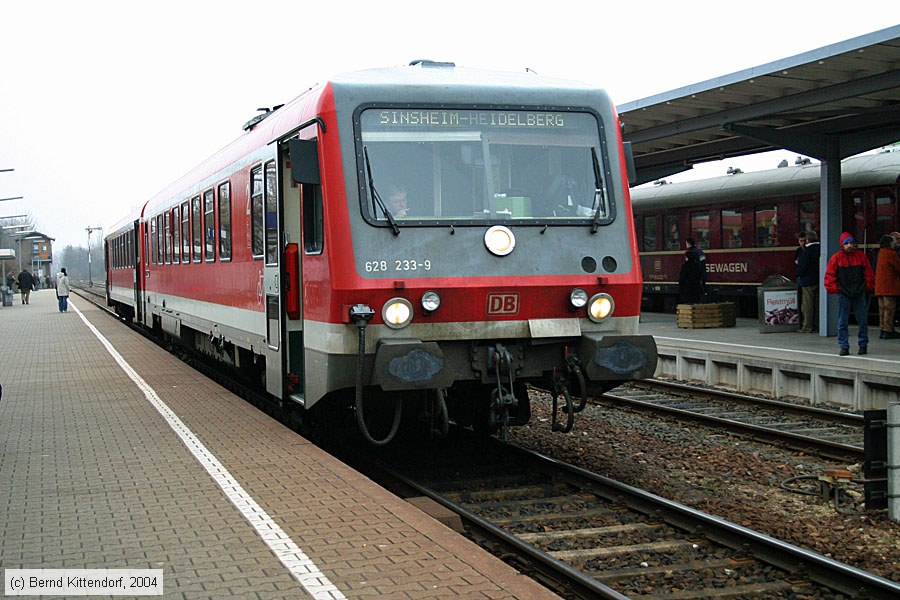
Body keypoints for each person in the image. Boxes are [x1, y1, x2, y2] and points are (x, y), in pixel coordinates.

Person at [824, 232, 875, 356]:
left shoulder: (837, 258)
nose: (850, 245)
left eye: (851, 243)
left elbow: (829, 276)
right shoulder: (857, 257)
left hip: (846, 292)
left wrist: (836, 289)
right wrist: (867, 287)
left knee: (849, 320)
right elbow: (868, 274)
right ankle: (858, 345)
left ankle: (847, 346)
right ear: (843, 244)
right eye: (847, 243)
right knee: (852, 320)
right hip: (854, 292)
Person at [874, 235, 900, 339]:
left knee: (882, 309)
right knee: (889, 309)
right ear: (889, 243)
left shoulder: (881, 252)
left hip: (880, 286)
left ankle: (882, 329)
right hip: (889, 286)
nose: (895, 244)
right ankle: (888, 330)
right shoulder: (891, 253)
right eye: (894, 242)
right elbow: (898, 267)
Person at [796, 231, 820, 332]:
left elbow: (802, 268)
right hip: (819, 280)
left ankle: (807, 327)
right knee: (818, 305)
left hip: (807, 281)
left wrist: (799, 272)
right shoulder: (822, 248)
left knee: (807, 306)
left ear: (807, 240)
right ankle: (818, 325)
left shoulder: (806, 251)